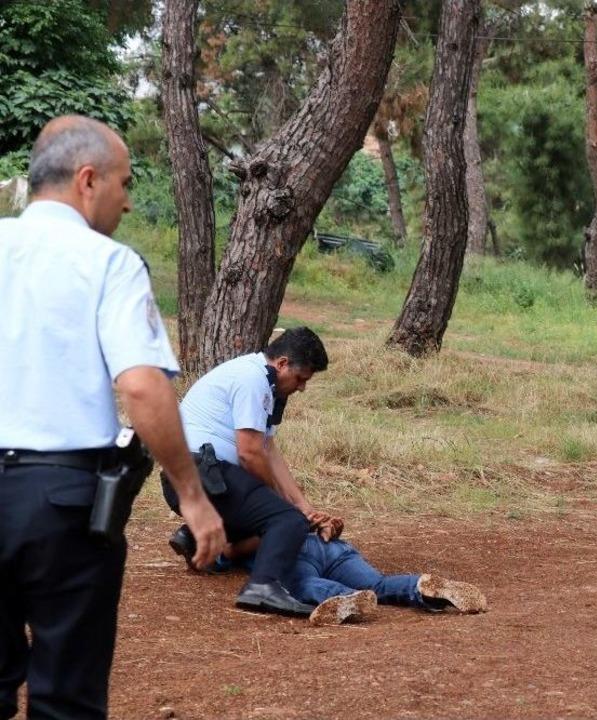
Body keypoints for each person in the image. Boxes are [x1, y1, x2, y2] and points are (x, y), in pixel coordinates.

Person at [0, 116, 225, 720]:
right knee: (65, 697)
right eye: (125, 184)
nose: (128, 201)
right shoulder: (109, 263)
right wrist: (193, 496)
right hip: (62, 504)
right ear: (87, 180)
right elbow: (142, 387)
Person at [162, 327, 335, 617]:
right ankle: (263, 587)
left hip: (199, 475)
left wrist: (305, 505)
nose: (302, 387)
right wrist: (289, 508)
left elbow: (268, 450)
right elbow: (249, 453)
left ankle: (193, 537)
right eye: (301, 378)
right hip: (204, 474)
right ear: (281, 363)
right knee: (286, 521)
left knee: (283, 513)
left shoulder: (264, 381)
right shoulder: (252, 379)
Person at [201, 532, 488, 625]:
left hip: (296, 552)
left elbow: (220, 555)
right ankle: (420, 586)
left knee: (300, 585)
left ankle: (345, 598)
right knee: (378, 584)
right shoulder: (268, 494)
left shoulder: (231, 518)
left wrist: (223, 552)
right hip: (331, 544)